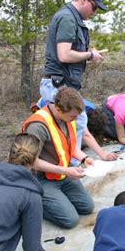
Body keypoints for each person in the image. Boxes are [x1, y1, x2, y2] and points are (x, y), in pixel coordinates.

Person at [40, 0, 107, 161]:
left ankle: (71, 167)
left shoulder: (71, 18)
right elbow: (64, 54)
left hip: (63, 85)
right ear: (84, 0)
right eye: (94, 7)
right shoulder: (68, 18)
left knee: (74, 127)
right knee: (74, 126)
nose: (94, 12)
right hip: (58, 85)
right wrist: (90, 55)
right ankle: (71, 169)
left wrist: (87, 52)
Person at [23, 87, 95, 229]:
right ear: (58, 108)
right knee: (70, 220)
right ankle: (32, 202)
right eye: (73, 116)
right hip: (40, 179)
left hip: (62, 174)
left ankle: (57, 198)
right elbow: (30, 161)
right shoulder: (37, 126)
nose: (75, 119)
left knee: (87, 207)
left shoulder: (68, 117)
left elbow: (69, 146)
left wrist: (84, 158)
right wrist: (65, 171)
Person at [33, 97, 117, 161]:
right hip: (44, 104)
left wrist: (103, 155)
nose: (75, 119)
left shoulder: (85, 113)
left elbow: (85, 134)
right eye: (73, 117)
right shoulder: (79, 116)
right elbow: (86, 135)